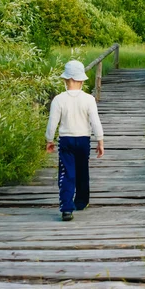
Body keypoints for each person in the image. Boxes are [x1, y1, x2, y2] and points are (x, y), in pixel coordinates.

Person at [45, 60, 104, 221]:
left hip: (66, 141)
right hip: (84, 140)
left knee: (67, 173)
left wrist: (49, 140)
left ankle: (66, 208)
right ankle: (81, 201)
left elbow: (52, 123)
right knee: (82, 170)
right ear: (82, 80)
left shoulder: (59, 99)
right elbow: (95, 121)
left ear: (66, 80)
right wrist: (100, 141)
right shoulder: (88, 99)